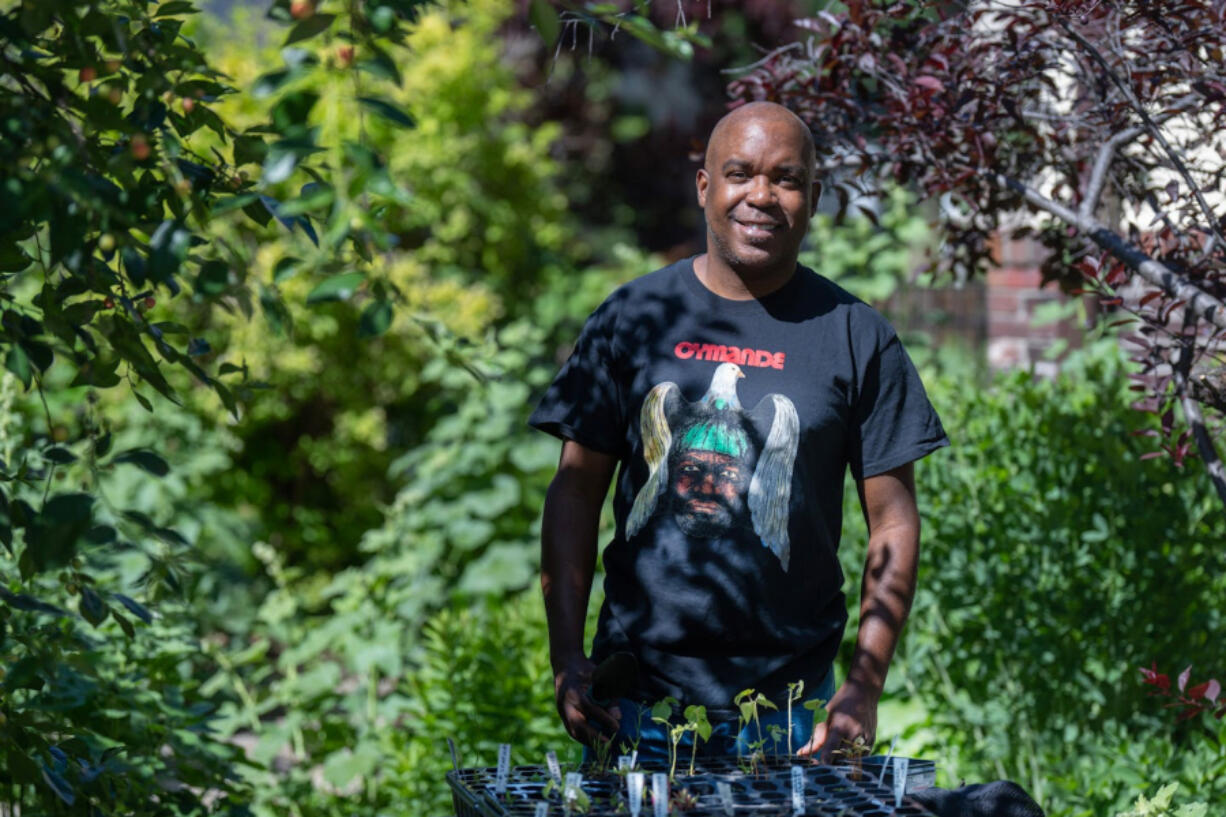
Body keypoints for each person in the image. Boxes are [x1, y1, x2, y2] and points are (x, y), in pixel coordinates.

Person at [528, 101, 948, 763]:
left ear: (813, 197)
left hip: (790, 712)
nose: (761, 195)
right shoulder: (634, 317)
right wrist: (566, 655)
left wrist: (865, 684)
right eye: (740, 173)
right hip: (633, 698)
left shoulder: (854, 336)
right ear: (705, 186)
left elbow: (893, 521)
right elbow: (575, 489)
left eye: (785, 178)